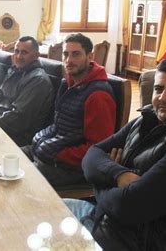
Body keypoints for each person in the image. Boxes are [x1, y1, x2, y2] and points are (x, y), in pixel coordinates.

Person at [65, 56, 166, 250]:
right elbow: (92, 154)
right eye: (159, 89)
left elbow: (128, 208)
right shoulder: (146, 118)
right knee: (41, 212)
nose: (164, 97)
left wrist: (100, 183)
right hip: (109, 223)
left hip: (138, 243)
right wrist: (120, 174)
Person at [21, 33, 116, 187]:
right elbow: (60, 125)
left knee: (17, 179)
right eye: (66, 54)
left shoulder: (98, 95)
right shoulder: (67, 83)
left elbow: (99, 147)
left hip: (71, 168)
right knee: (6, 157)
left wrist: (58, 154)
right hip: (52, 152)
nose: (69, 60)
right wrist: (42, 142)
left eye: (76, 54)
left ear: (90, 56)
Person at [0, 36, 53, 146]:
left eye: (24, 52)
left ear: (36, 56)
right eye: (16, 51)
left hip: (16, 136)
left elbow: (18, 118)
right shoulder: (14, 70)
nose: (19, 56)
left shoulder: (38, 80)